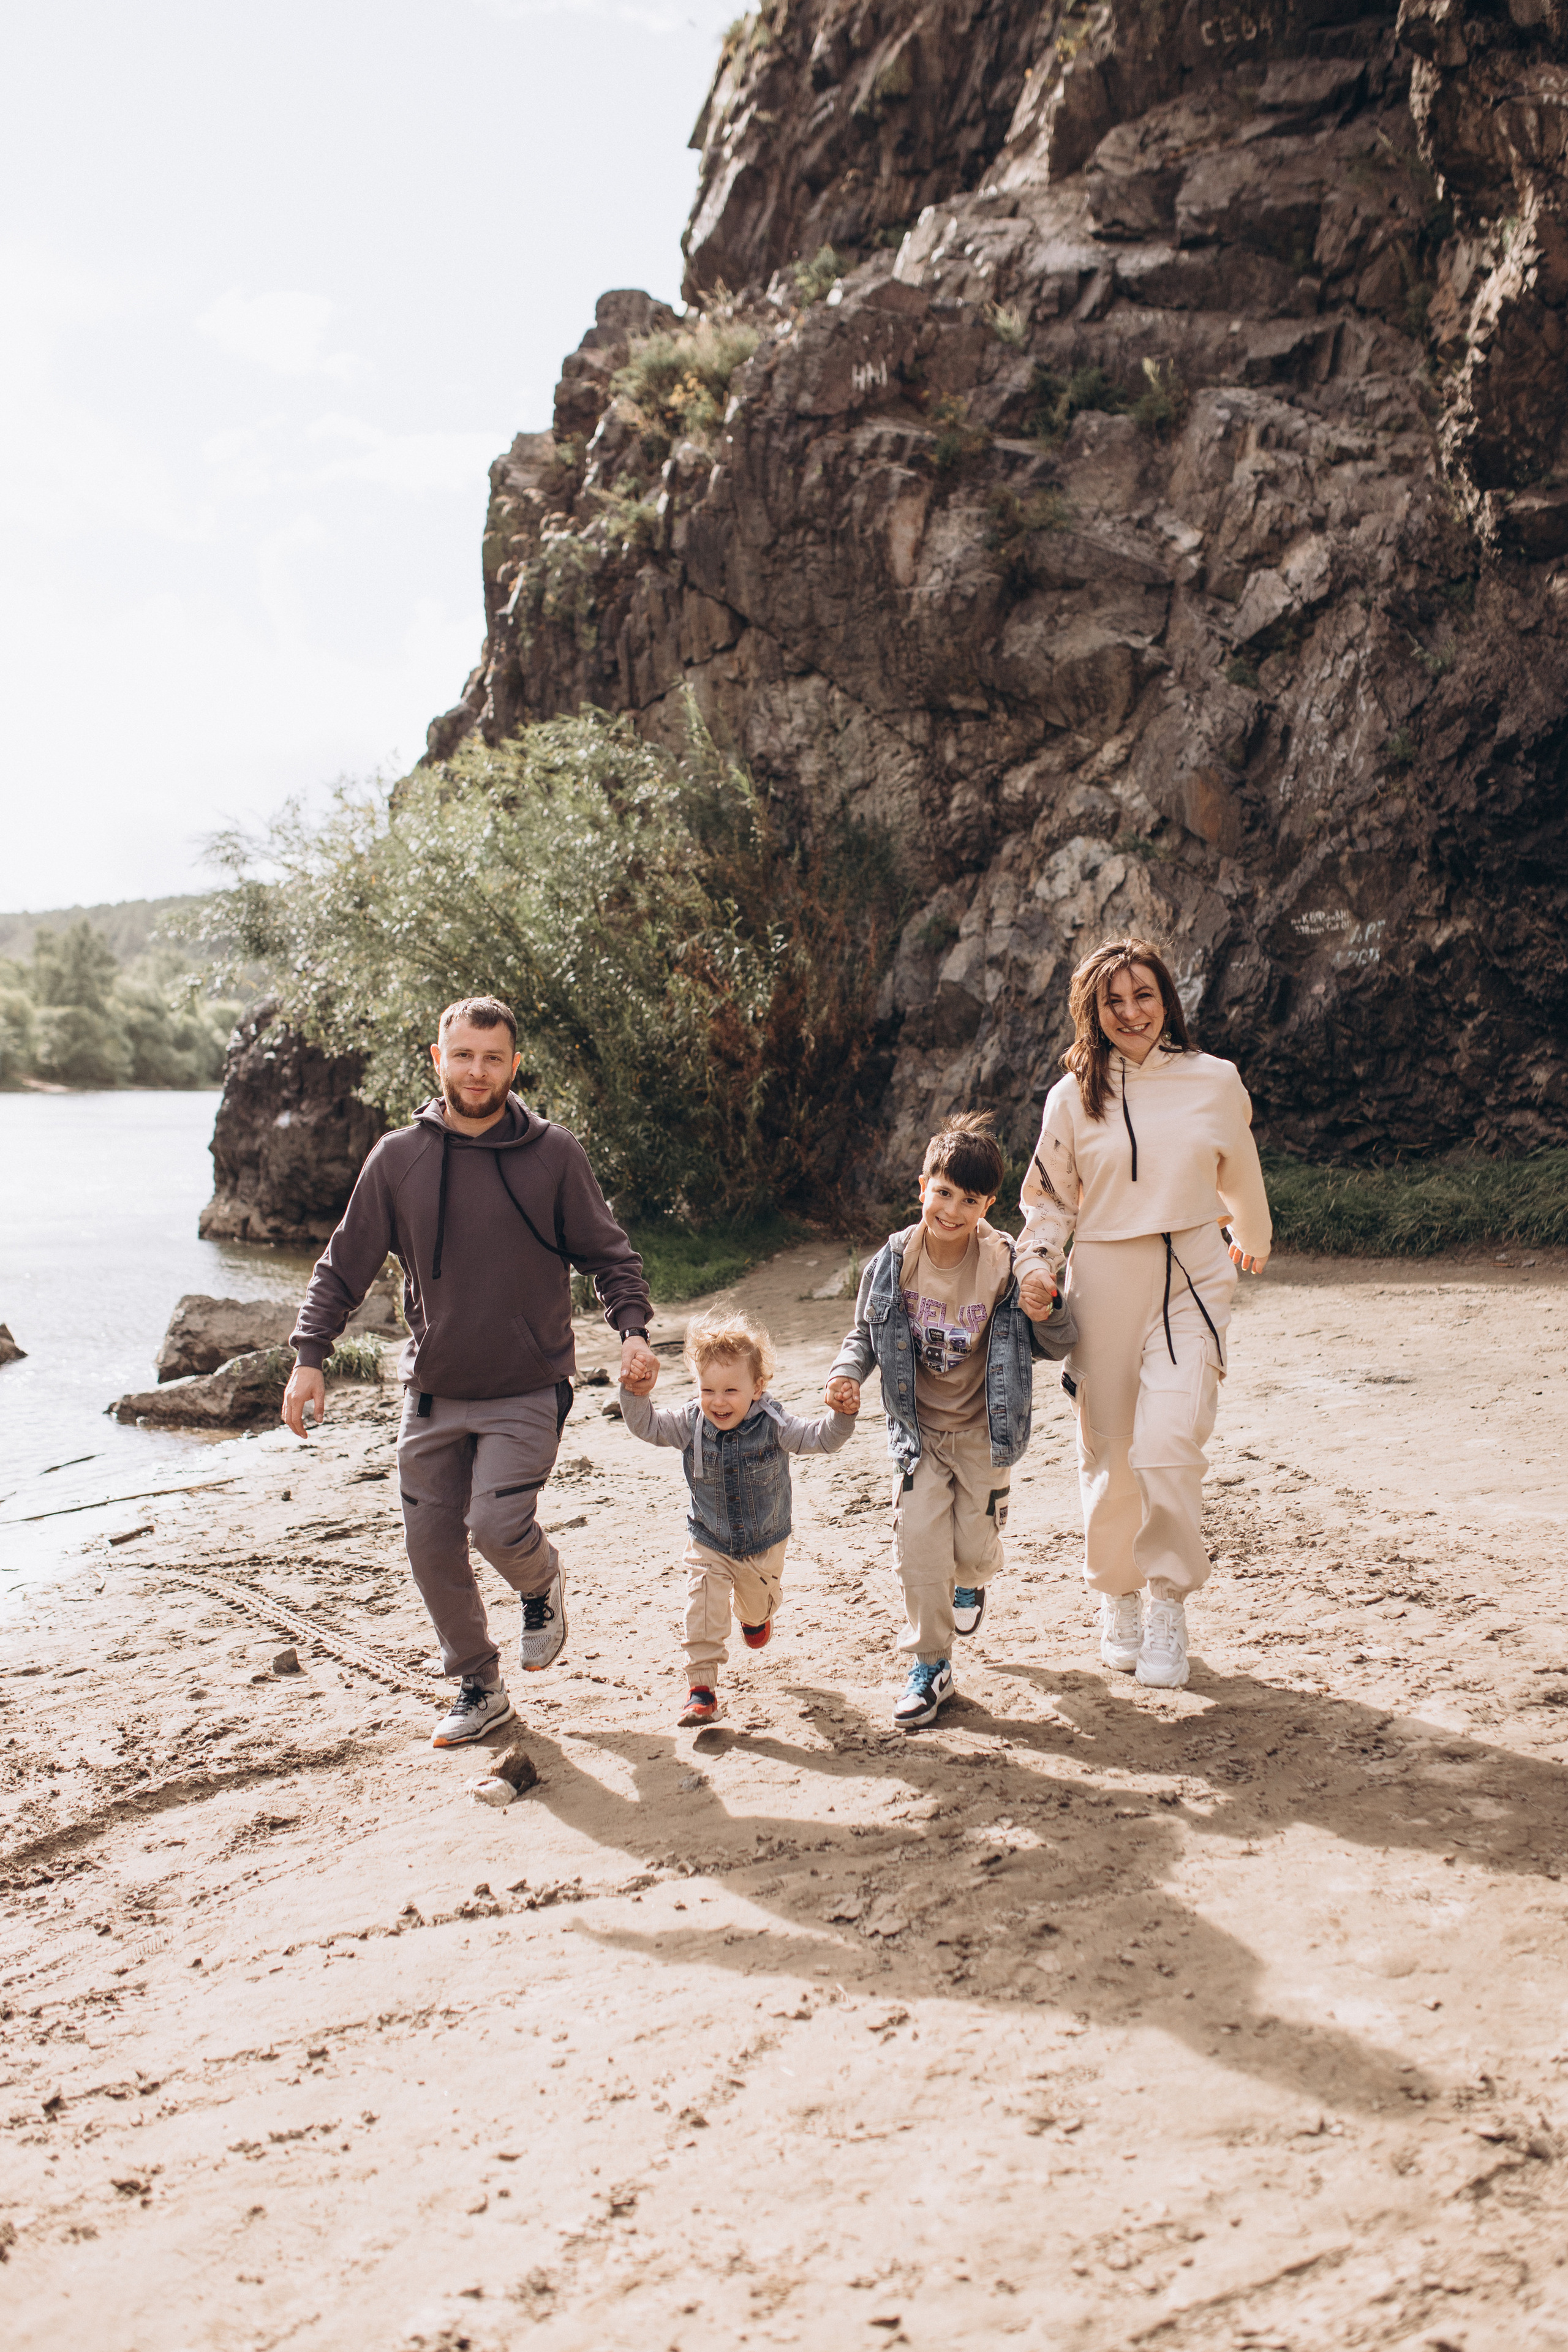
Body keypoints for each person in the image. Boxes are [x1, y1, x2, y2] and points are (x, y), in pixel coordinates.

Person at [280, 995, 658, 1748]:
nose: (476, 1071)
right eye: (463, 1055)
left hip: (528, 1380)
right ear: (437, 1058)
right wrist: (309, 1358)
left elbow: (610, 1255)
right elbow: (342, 1267)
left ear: (514, 1066)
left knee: (494, 1524)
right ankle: (478, 1684)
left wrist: (633, 1332)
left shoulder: (554, 1154)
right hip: (433, 1388)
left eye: (492, 1058)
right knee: (429, 1543)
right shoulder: (398, 1158)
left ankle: (539, 1578)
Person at [1014, 938, 1272, 1692]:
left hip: (1192, 1273)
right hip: (1103, 1283)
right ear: (1093, 1013)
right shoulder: (1071, 1096)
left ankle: (1167, 1601)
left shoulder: (1214, 1080)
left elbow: (1240, 1170)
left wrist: (1249, 1237)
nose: (1131, 1013)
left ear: (1168, 1001)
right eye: (1113, 1002)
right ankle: (1118, 1596)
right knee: (1112, 1454)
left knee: (1170, 1442)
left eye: (1144, 997)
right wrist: (1036, 1263)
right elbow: (1051, 1200)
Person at [824, 1114, 1077, 1730]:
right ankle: (930, 1665)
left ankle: (973, 1581)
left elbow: (1060, 1341)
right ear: (922, 1188)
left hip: (983, 1434)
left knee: (972, 1553)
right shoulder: (892, 1260)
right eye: (942, 1193)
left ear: (988, 1204)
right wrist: (845, 1375)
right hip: (918, 1436)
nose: (951, 1209)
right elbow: (864, 1332)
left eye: (969, 1200)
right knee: (919, 1550)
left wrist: (1046, 1304)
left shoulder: (1003, 1264)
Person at [620, 1309, 856, 1725]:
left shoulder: (776, 1423)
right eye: (707, 1389)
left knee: (756, 1604)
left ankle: (756, 1616)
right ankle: (701, 1689)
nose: (718, 1401)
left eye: (731, 1390)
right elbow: (647, 1427)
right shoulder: (689, 1423)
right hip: (709, 1539)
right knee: (704, 1602)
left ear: (758, 1387)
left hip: (764, 1543)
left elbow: (821, 1438)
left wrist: (842, 1414)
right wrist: (636, 1393)